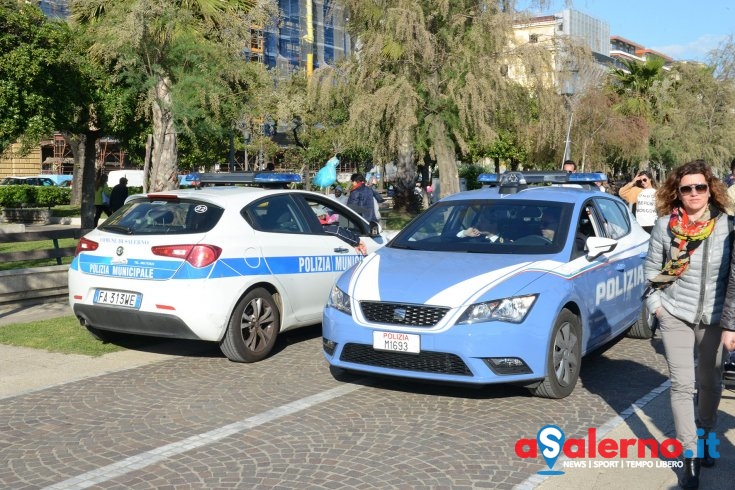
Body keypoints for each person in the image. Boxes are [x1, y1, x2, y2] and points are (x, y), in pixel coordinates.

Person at [644, 160, 731, 489]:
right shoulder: (665, 226)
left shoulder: (728, 226)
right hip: (675, 315)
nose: (694, 193)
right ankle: (690, 456)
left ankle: (706, 433)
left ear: (711, 190)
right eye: (687, 188)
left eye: (700, 187)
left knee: (710, 382)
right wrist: (657, 309)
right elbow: (652, 270)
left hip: (715, 318)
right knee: (682, 385)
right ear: (676, 193)